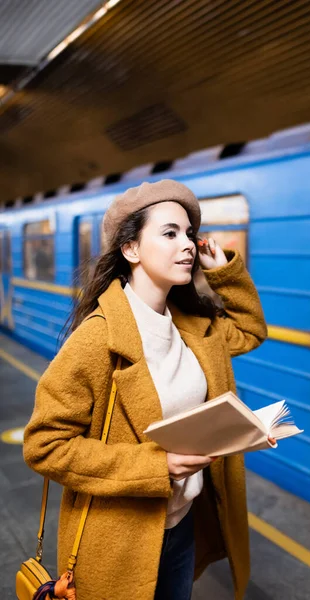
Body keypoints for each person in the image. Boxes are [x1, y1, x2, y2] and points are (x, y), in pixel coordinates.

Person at [23, 179, 272, 600]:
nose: (189, 244)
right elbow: (44, 445)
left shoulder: (194, 328)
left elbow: (250, 329)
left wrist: (224, 272)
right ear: (131, 250)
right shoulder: (96, 340)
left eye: (190, 233)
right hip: (117, 541)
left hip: (181, 528)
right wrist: (157, 466)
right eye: (170, 233)